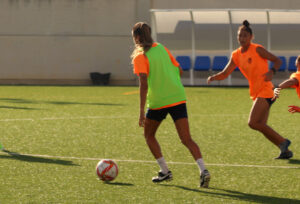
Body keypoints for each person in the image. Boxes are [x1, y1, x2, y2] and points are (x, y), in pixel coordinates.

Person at [131, 22, 210, 187]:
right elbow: (180, 70)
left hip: (158, 101)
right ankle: (203, 170)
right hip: (177, 96)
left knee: (149, 135)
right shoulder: (161, 47)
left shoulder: (140, 56)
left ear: (137, 37)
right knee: (186, 138)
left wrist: (140, 111)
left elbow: (143, 84)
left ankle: (165, 171)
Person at [207, 20, 293, 159]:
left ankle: (283, 142)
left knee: (253, 123)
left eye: (245, 36)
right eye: (240, 36)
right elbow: (225, 73)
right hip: (256, 92)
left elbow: (278, 60)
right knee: (260, 125)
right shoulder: (236, 55)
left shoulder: (257, 49)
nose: (242, 38)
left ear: (251, 37)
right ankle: (285, 150)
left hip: (266, 90)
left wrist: (272, 71)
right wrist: (213, 77)